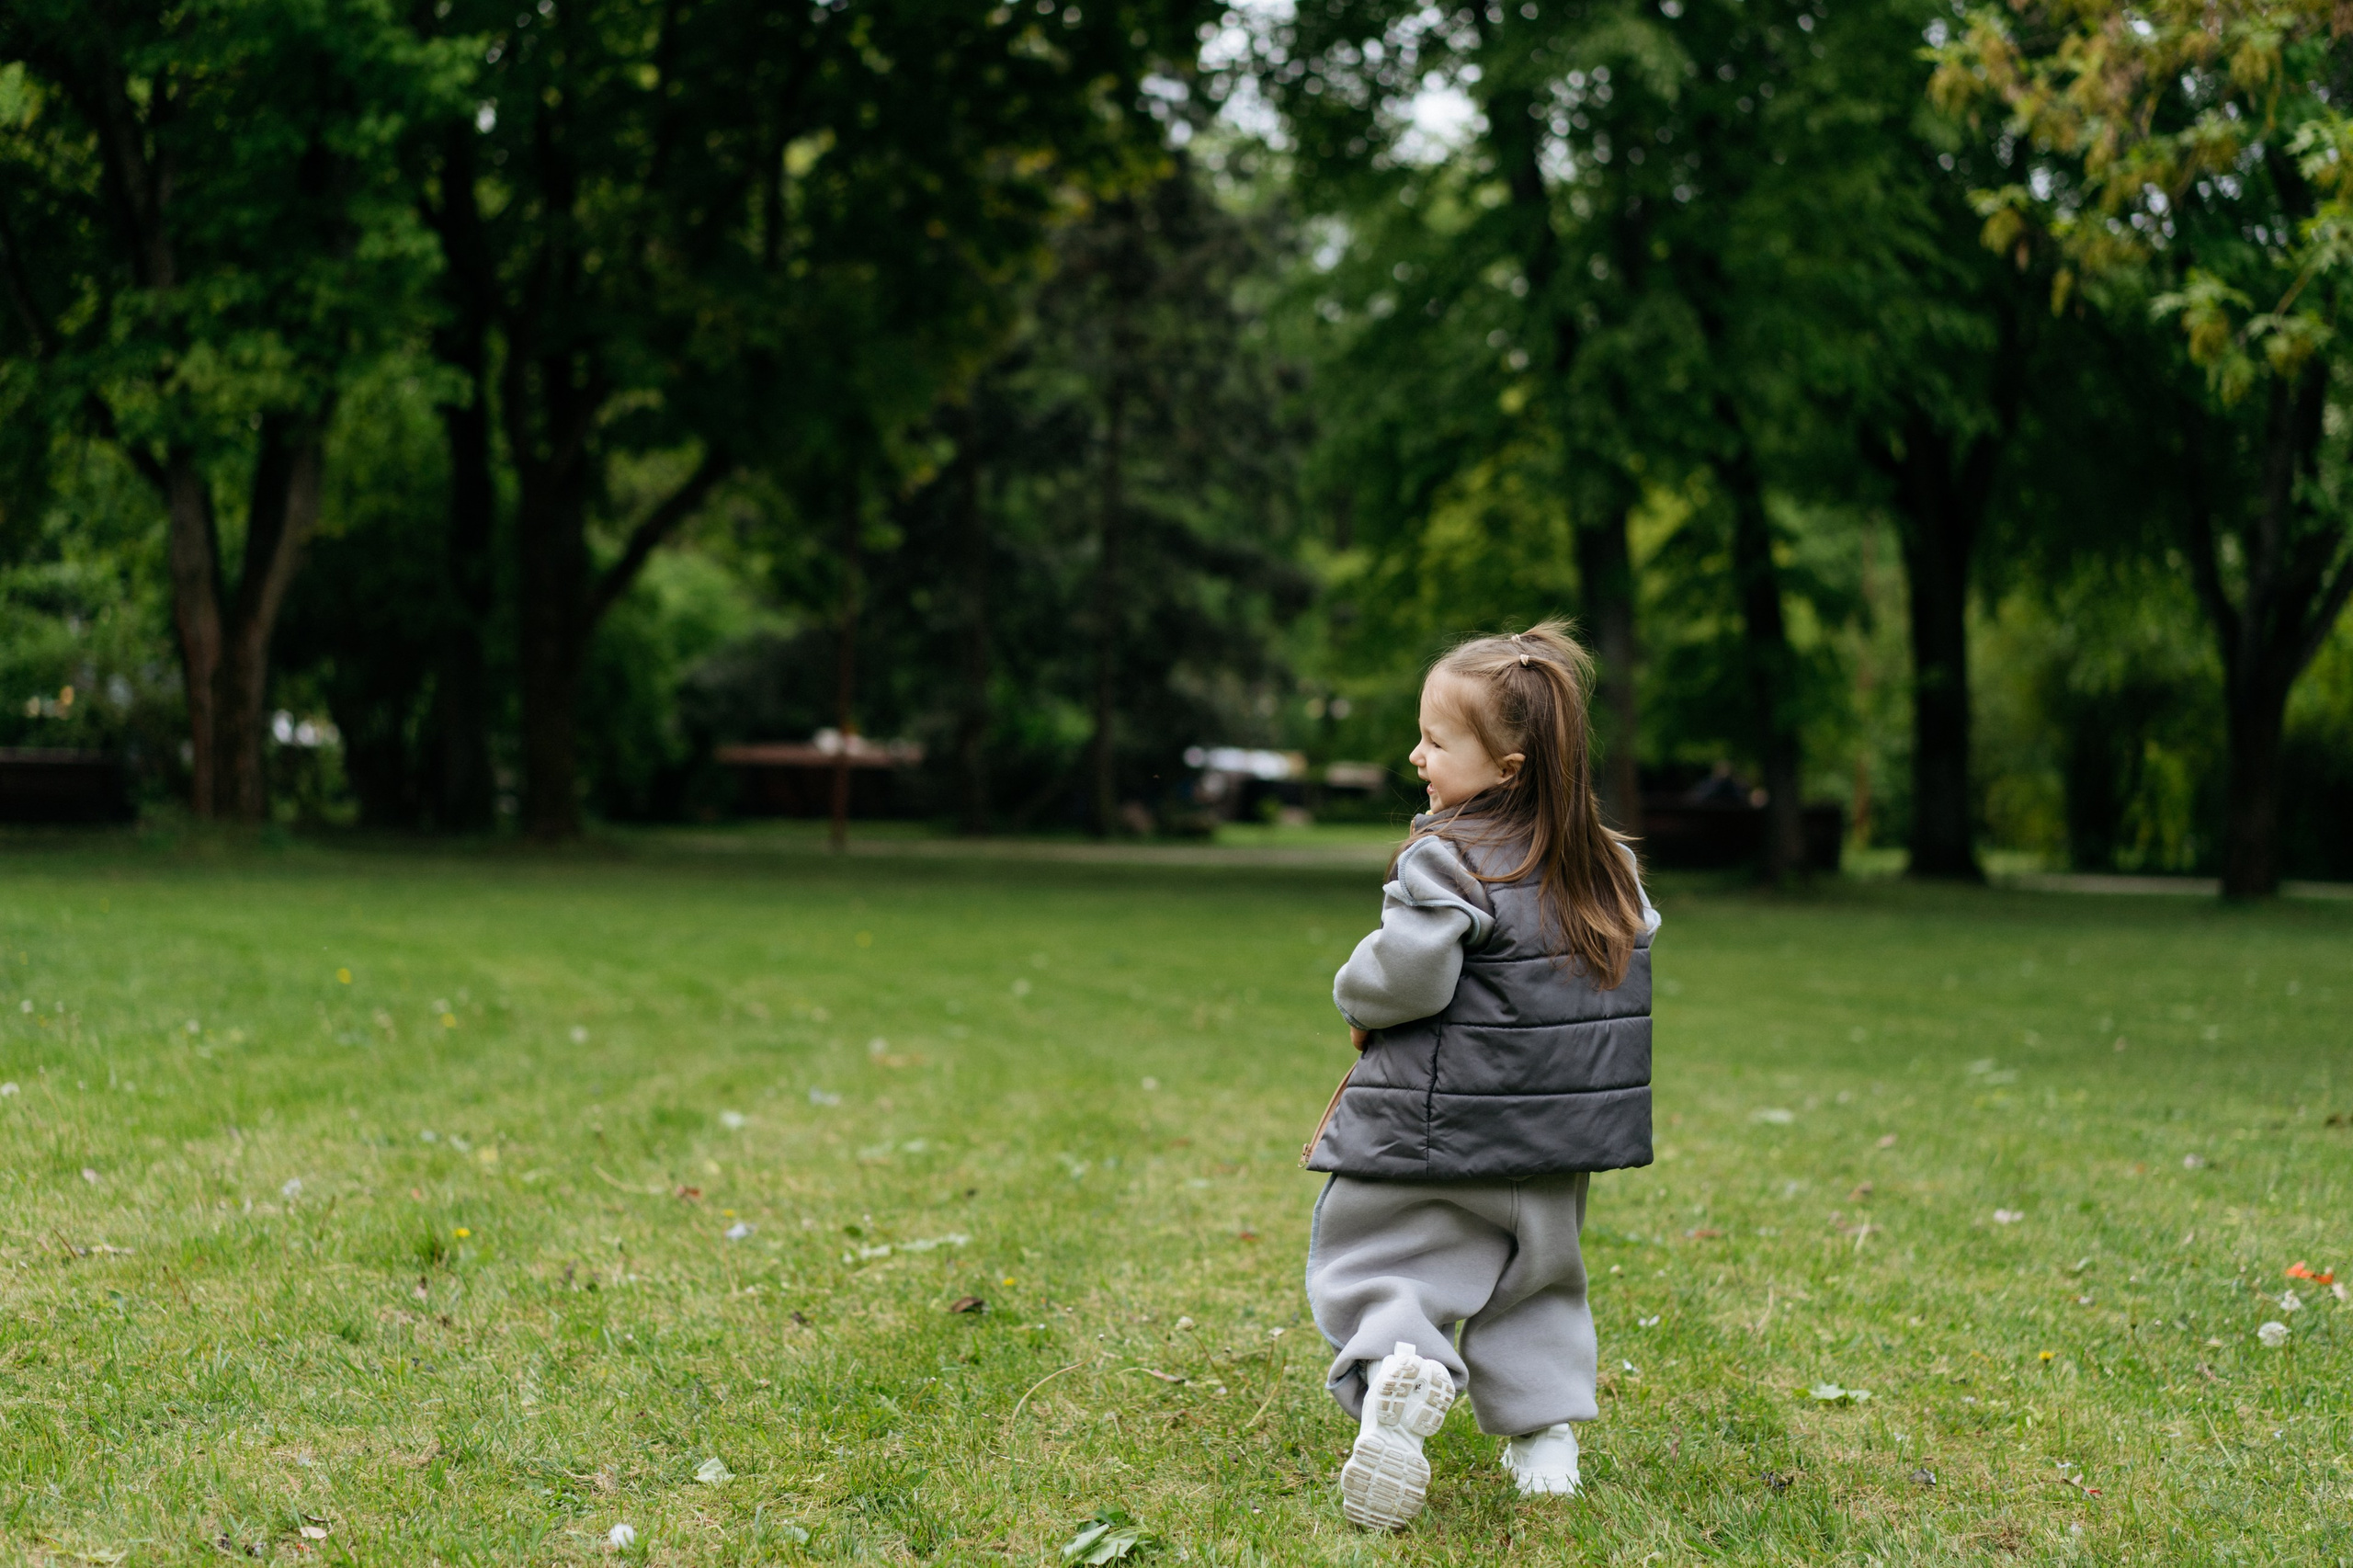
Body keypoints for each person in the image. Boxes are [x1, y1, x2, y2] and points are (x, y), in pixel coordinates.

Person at [1301, 620, 1659, 1530]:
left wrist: (1356, 989)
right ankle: (1545, 1447)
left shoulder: (1448, 859)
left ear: (1506, 766)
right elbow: (1626, 950)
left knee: (1384, 1259)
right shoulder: (1608, 865)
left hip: (1438, 1128)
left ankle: (1399, 1365)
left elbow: (1410, 974)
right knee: (1536, 1282)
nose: (1416, 754)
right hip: (1554, 1142)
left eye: (1436, 739)